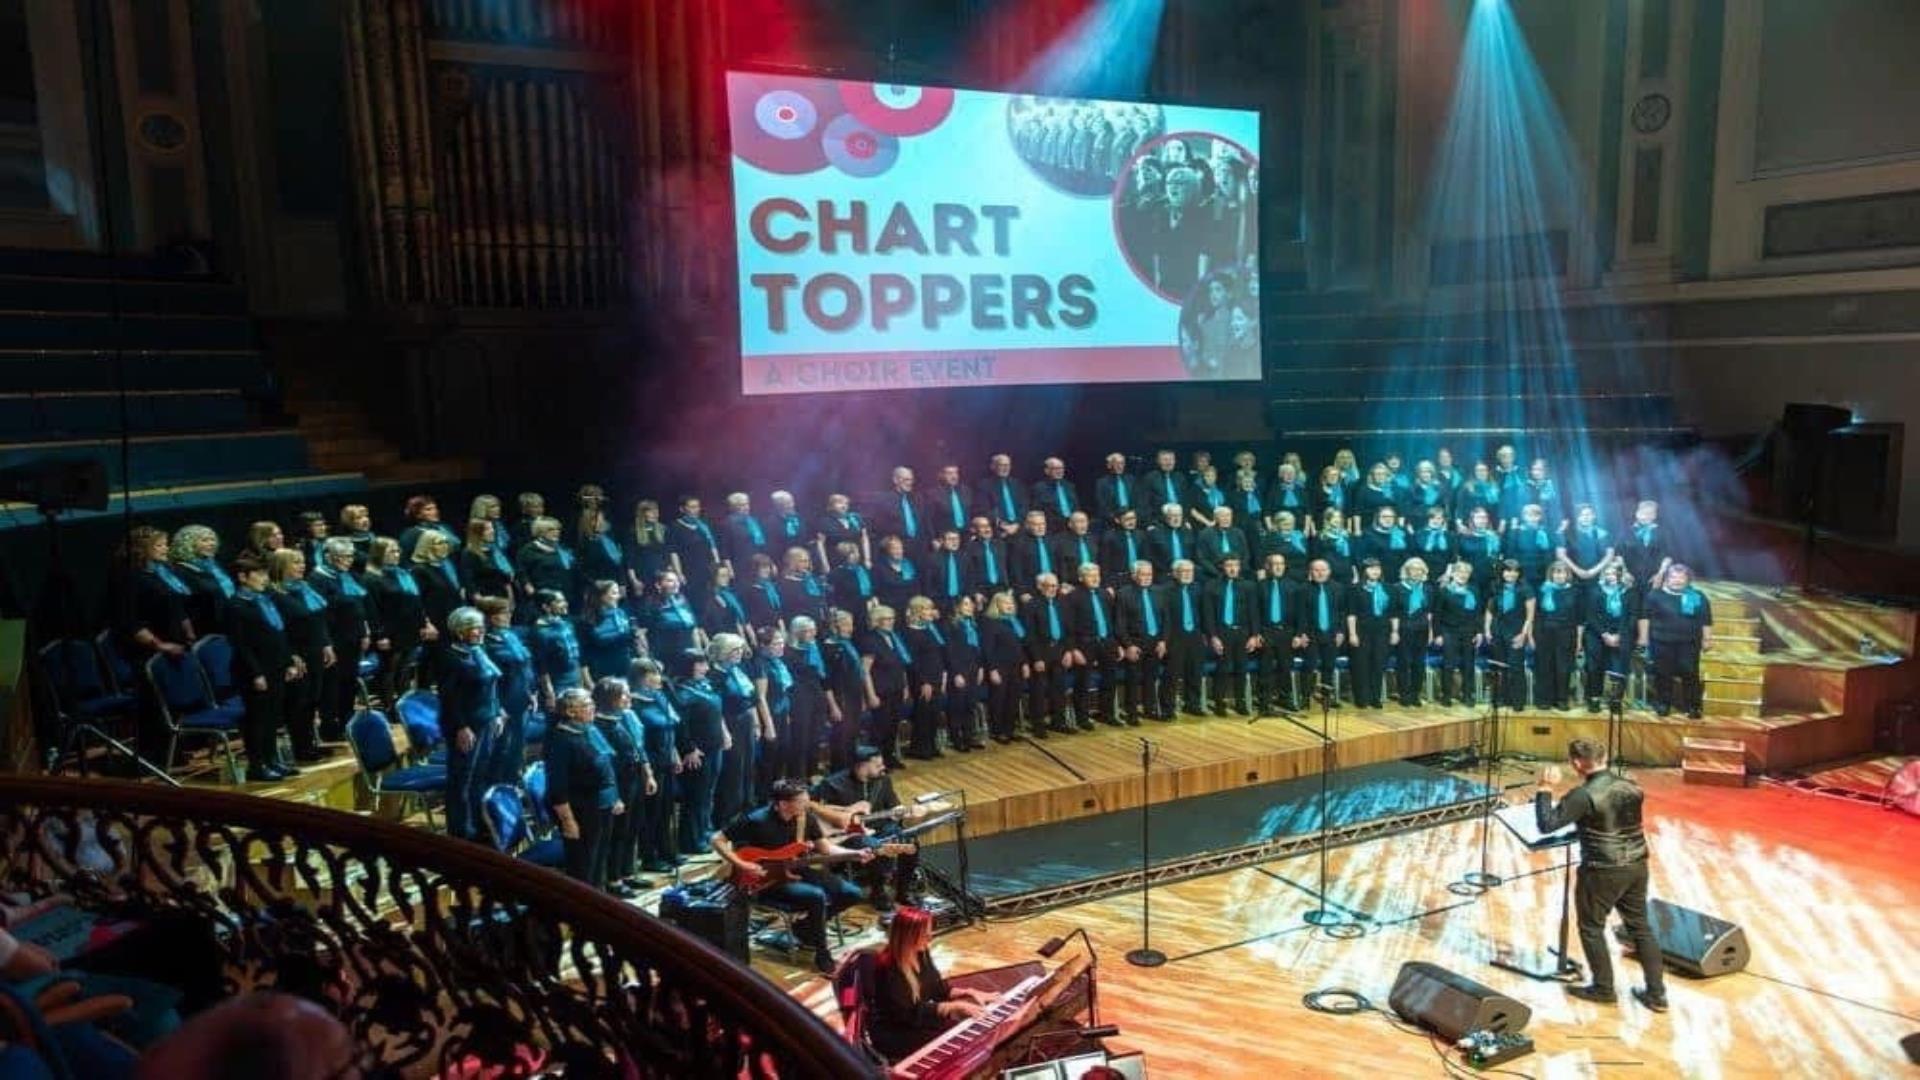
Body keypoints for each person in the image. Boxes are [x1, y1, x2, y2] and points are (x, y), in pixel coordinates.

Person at [1534, 738, 1668, 1012]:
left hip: (1602, 869)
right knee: (1640, 928)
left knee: (1591, 928)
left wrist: (1545, 789)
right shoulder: (1631, 786)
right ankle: (1657, 995)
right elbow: (1613, 822)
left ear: (1576, 763)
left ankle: (1604, 989)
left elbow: (1546, 824)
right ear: (1604, 757)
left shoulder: (1582, 796)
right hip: (1636, 865)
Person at [712, 779, 871, 974]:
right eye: (802, 801)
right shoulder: (756, 820)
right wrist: (742, 864)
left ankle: (804, 928)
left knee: (851, 893)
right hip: (766, 880)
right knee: (816, 896)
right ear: (783, 804)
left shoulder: (806, 818)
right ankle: (822, 954)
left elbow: (826, 849)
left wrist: (855, 854)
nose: (807, 804)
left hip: (796, 869)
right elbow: (716, 839)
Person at [865, 906, 1003, 1063]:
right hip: (895, 1032)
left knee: (971, 1028)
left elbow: (937, 988)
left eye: (929, 933)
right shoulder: (888, 968)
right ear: (907, 936)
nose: (930, 938)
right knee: (961, 1043)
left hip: (914, 1020)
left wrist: (970, 992)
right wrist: (953, 1007)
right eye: (924, 935)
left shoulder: (920, 951)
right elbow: (907, 1013)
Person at [811, 746, 928, 911]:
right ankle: (878, 892)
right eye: (878, 765)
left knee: (910, 843)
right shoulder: (834, 783)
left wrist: (904, 813)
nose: (883, 768)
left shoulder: (883, 780)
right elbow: (809, 802)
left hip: (878, 827)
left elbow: (894, 807)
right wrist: (836, 817)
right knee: (877, 847)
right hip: (848, 835)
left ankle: (903, 890)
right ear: (862, 766)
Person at [226, 555, 301, 783]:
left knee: (272, 717)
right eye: (259, 574)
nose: (264, 578)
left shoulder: (265, 600)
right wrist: (256, 673)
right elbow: (241, 644)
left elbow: (279, 635)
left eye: (265, 574)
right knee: (257, 720)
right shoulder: (235, 606)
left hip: (275, 666)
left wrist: (288, 661)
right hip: (253, 671)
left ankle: (272, 760)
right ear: (242, 577)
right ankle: (256, 766)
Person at [439, 606, 504, 842]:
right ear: (460, 631)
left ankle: (477, 824)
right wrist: (461, 727)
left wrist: (497, 712)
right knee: (461, 780)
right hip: (466, 727)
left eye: (481, 627)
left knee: (479, 775)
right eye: (474, 628)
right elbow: (449, 698)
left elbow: (492, 683)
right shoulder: (450, 657)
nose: (480, 631)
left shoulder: (479, 650)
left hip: (486, 721)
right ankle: (460, 833)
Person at [545, 687, 621, 889]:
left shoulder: (590, 730)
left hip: (601, 805)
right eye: (587, 705)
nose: (593, 708)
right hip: (580, 809)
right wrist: (568, 821)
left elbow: (606, 764)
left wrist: (615, 797)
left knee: (599, 860)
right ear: (570, 712)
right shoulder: (561, 740)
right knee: (583, 866)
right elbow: (557, 787)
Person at [266, 549, 332, 765]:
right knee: (299, 703)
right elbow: (277, 630)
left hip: (315, 651)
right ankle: (301, 748)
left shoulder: (304, 588)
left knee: (313, 699)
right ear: (280, 566)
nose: (301, 566)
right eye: (295, 562)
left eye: (302, 562)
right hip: (296, 655)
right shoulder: (274, 595)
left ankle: (310, 743)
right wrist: (291, 656)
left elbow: (318, 618)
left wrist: (326, 645)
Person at [591, 676, 654, 897]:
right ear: (610, 699)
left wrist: (647, 774)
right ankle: (613, 879)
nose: (629, 698)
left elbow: (637, 748)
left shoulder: (624, 718)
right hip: (618, 786)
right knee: (618, 832)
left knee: (631, 828)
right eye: (623, 694)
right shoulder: (598, 726)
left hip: (633, 780)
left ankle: (627, 873)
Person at [307, 537, 371, 741]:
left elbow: (359, 605)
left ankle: (347, 721)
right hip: (334, 640)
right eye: (341, 557)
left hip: (353, 638)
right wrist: (327, 644)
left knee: (349, 682)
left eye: (350, 556)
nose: (347, 560)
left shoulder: (349, 576)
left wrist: (365, 631)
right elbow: (319, 615)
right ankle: (330, 726)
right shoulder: (317, 579)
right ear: (328, 557)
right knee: (332, 686)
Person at [363, 536, 435, 702]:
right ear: (379, 554)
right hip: (389, 632)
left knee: (404, 670)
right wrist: (380, 635)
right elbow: (372, 611)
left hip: (408, 630)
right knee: (389, 670)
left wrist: (425, 623)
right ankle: (389, 705)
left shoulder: (403, 574)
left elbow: (415, 602)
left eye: (397, 551)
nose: (396, 554)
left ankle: (404, 703)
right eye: (391, 551)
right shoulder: (371, 578)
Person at [629, 657, 684, 872]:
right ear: (643, 678)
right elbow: (638, 739)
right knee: (651, 813)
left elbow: (670, 727)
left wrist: (675, 754)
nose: (659, 678)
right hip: (650, 764)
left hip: (666, 760)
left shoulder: (660, 696)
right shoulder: (634, 703)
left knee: (666, 810)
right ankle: (650, 856)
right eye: (654, 673)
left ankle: (667, 851)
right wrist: (647, 770)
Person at [672, 649, 727, 856]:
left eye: (705, 664)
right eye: (700, 664)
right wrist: (689, 748)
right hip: (697, 751)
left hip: (714, 748)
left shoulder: (705, 686)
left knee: (708, 794)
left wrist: (724, 734)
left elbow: (717, 713)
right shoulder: (681, 691)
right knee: (695, 796)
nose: (706, 668)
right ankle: (692, 841)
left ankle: (705, 832)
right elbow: (681, 725)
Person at [1640, 563, 1712, 719]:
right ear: (1666, 579)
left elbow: (1706, 619)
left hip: (1689, 642)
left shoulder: (1698, 596)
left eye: (1681, 577)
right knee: (1663, 674)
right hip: (1661, 641)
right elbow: (1645, 617)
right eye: (1673, 577)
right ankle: (1663, 704)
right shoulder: (1655, 595)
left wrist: (1707, 639)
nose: (1677, 580)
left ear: (1688, 579)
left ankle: (1693, 707)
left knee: (1690, 673)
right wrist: (1643, 638)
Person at [477, 595, 534, 787]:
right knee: (502, 749)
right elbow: (488, 681)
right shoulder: (486, 643)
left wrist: (531, 692)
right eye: (504, 612)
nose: (509, 615)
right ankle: (496, 789)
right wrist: (498, 708)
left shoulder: (511, 635)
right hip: (503, 702)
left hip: (521, 698)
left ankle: (512, 784)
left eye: (509, 611)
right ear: (491, 617)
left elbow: (525, 666)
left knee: (517, 746)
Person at [709, 632, 763, 825]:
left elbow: (751, 700)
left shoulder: (739, 670)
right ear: (723, 652)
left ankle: (747, 811)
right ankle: (730, 818)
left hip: (746, 723)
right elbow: (717, 709)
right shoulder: (715, 675)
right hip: (730, 725)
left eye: (740, 649)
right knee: (734, 771)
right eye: (735, 650)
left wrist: (756, 723)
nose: (739, 653)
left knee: (748, 767)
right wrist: (724, 732)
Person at [1066, 562, 1123, 726]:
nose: (1095, 578)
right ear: (1081, 578)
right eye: (1091, 575)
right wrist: (1073, 649)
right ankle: (1082, 718)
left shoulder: (1105, 594)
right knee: (1083, 682)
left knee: (1110, 680)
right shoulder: (1072, 597)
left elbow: (1113, 620)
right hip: (1085, 644)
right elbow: (1068, 626)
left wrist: (1118, 643)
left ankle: (1107, 714)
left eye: (1097, 575)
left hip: (1107, 642)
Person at [1022, 574, 1077, 733]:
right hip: (1041, 652)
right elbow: (1029, 635)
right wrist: (1037, 658)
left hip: (1059, 650)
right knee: (1038, 691)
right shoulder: (1031, 605)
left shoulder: (1063, 603)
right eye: (1049, 586)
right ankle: (1038, 725)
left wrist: (1068, 650)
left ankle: (1058, 722)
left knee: (1058, 689)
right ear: (1040, 586)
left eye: (1055, 586)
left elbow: (1069, 630)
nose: (1053, 589)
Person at [859, 605, 912, 768]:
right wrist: (871, 695)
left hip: (896, 687)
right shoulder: (870, 640)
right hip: (881, 691)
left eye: (892, 619)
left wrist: (905, 686)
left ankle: (889, 757)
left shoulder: (894, 637)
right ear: (877, 621)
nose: (891, 622)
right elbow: (865, 671)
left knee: (893, 726)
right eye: (887, 619)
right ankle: (877, 762)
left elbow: (900, 664)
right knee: (880, 728)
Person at [1582, 562, 1638, 713]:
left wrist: (1619, 635)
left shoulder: (1630, 592)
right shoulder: (1595, 590)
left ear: (1620, 574)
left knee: (1619, 667)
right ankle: (1594, 699)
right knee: (1594, 667)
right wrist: (1605, 634)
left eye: (1613, 573)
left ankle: (1616, 700)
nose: (1610, 577)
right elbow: (1590, 616)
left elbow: (1633, 617)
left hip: (1622, 634)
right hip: (1596, 633)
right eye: (1607, 574)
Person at [899, 597, 949, 758]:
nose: (931, 612)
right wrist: (924, 682)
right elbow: (913, 662)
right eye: (927, 609)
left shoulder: (930, 629)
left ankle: (931, 745)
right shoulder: (910, 632)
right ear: (918, 611)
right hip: (922, 679)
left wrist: (943, 675)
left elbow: (939, 653)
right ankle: (921, 748)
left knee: (934, 713)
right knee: (923, 714)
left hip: (936, 676)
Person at [979, 590, 1033, 741]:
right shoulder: (990, 623)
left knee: (1013, 698)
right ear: (996, 605)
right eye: (1005, 603)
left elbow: (1020, 646)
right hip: (999, 667)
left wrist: (1025, 664)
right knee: (999, 699)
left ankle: (1010, 729)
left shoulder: (1014, 621)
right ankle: (998, 731)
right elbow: (987, 649)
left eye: (1011, 603)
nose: (1009, 606)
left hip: (1016, 665)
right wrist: (992, 670)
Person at [748, 625, 796, 788]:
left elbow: (783, 691)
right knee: (770, 759)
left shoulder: (777, 663)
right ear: (763, 645)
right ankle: (765, 797)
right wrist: (769, 726)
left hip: (781, 713)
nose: (781, 646)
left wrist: (786, 714)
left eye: (782, 642)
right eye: (776, 643)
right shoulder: (760, 664)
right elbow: (760, 697)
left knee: (784, 753)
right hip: (769, 716)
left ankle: (779, 793)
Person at [1485, 560, 1535, 710]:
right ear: (1502, 572)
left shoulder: (1526, 589)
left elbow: (1530, 616)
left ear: (1519, 573)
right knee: (1500, 667)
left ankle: (1518, 701)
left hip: (1516, 630)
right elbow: (1489, 610)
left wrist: (1523, 634)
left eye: (1515, 570)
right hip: (1497, 630)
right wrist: (1487, 629)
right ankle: (1502, 698)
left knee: (1516, 667)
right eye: (1507, 570)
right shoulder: (1495, 586)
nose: (1511, 574)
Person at [1434, 561, 1483, 708]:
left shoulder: (1474, 590)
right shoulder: (1444, 590)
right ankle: (1446, 695)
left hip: (1469, 631)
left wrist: (1479, 631)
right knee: (1448, 664)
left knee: (1468, 664)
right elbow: (1437, 614)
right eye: (1460, 572)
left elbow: (1478, 613)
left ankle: (1467, 695)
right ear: (1453, 574)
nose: (1463, 575)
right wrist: (1438, 634)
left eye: (1466, 573)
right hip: (1449, 631)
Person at [1297, 558, 1346, 705]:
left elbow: (1342, 612)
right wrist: (1301, 634)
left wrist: (1341, 631)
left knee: (1329, 666)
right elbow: (1300, 614)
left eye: (1323, 570)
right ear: (1311, 572)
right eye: (1316, 570)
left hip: (1331, 633)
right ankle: (1305, 697)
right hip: (1311, 634)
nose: (1320, 573)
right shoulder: (1303, 589)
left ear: (1329, 572)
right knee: (1309, 666)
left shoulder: (1338, 588)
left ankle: (1326, 697)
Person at [1345, 558, 1392, 710]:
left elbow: (1392, 613)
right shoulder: (1355, 588)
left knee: (1378, 664)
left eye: (1377, 568)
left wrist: (1394, 631)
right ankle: (1362, 698)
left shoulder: (1387, 588)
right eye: (1371, 568)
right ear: (1364, 570)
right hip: (1361, 631)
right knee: (1361, 665)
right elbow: (1351, 613)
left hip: (1382, 631)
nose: (1375, 571)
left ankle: (1375, 697)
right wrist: (1352, 634)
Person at [171, 524, 235, 636]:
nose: (211, 544)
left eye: (213, 540)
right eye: (204, 540)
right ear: (189, 544)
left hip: (232, 624)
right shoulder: (181, 571)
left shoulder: (215, 565)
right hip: (208, 631)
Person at [1254, 553, 1298, 712]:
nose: (1279, 567)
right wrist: (1256, 633)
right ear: (1267, 566)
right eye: (1275, 564)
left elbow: (1299, 614)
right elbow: (1255, 612)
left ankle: (1284, 698)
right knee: (1265, 668)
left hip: (1286, 631)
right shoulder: (1259, 586)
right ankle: (1264, 701)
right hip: (1266, 631)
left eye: (1281, 564)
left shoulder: (1293, 586)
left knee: (1285, 667)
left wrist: (1298, 634)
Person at [1533, 561, 1580, 711]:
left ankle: (1562, 699)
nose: (1559, 575)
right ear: (1551, 574)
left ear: (1567, 575)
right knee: (1544, 666)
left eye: (1562, 572)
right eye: (1556, 572)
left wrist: (1579, 640)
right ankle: (1544, 699)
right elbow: (1536, 615)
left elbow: (1579, 618)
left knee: (1563, 667)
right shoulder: (1541, 590)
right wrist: (1533, 635)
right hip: (1544, 632)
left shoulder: (1575, 591)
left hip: (1566, 633)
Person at [943, 595, 986, 750]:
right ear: (957, 607)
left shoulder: (972, 624)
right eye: (966, 604)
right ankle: (956, 738)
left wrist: (980, 667)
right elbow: (950, 652)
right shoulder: (951, 625)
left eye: (971, 604)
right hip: (959, 670)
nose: (970, 607)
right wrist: (956, 673)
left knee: (970, 704)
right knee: (957, 705)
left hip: (973, 668)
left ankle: (969, 736)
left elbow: (978, 648)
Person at [576, 579, 639, 684]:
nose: (618, 597)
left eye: (618, 593)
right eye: (614, 593)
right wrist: (588, 681)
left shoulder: (621, 613)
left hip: (626, 665)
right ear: (602, 596)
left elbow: (630, 640)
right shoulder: (587, 621)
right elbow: (584, 653)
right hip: (603, 671)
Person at [1392, 557, 1435, 708]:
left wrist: (1430, 631)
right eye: (1413, 568)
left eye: (1419, 569)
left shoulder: (1428, 588)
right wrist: (1395, 631)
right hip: (1404, 629)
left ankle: (1415, 694)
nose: (1416, 572)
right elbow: (1394, 612)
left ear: (1423, 572)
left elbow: (1429, 612)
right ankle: (1404, 694)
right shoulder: (1397, 588)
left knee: (1419, 663)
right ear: (1407, 570)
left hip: (1422, 629)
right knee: (1404, 663)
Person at [668, 495, 720, 607]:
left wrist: (717, 565)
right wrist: (679, 573)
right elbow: (673, 552)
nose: (695, 510)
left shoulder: (703, 525)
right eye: (691, 507)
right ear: (682, 509)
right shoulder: (675, 527)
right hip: (689, 569)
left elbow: (712, 546)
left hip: (706, 569)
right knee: (694, 599)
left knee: (709, 599)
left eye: (697, 507)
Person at [459, 518, 515, 604]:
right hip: (485, 597)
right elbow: (468, 579)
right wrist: (478, 598)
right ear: (477, 533)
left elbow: (502, 577)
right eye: (487, 529)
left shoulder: (491, 551)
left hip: (500, 594)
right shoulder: (469, 553)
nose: (492, 531)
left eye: (492, 528)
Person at [977, 453, 1028, 535]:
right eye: (1002, 465)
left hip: (1019, 529)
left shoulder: (1017, 484)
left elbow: (1024, 506)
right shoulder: (984, 485)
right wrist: (1002, 525)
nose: (1005, 468)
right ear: (993, 466)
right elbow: (984, 509)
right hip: (997, 531)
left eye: (1008, 465)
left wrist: (1017, 524)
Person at [1030, 457, 1080, 530]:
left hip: (1072, 526)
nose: (1059, 471)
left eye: (1061, 468)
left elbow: (1076, 507)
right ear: (1047, 471)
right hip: (1052, 529)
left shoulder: (1069, 486)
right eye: (1055, 468)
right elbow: (1038, 511)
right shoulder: (1039, 488)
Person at [1094, 452, 1140, 524]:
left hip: (1132, 518)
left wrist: (1135, 514)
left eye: (1122, 463)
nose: (1120, 466)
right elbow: (1101, 504)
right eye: (1116, 463)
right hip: (1112, 520)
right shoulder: (1102, 482)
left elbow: (1138, 500)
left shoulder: (1131, 479)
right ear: (1110, 465)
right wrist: (1113, 518)